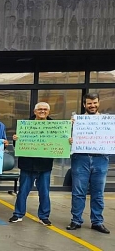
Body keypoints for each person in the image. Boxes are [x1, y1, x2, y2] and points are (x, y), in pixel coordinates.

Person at [67, 93, 110, 234]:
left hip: (101, 159)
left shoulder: (108, 121)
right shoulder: (76, 121)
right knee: (78, 192)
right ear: (84, 105)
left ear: (99, 103)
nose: (92, 105)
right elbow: (66, 139)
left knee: (98, 193)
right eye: (89, 103)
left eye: (95, 103)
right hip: (81, 158)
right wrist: (69, 132)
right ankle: (76, 220)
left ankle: (97, 222)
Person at [9, 102, 54, 225]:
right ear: (34, 111)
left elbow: (61, 144)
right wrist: (15, 140)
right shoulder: (25, 125)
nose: (42, 111)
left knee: (44, 192)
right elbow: (17, 146)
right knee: (23, 191)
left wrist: (68, 141)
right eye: (40, 109)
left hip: (45, 165)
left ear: (48, 112)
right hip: (27, 165)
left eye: (45, 109)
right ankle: (18, 214)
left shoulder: (55, 126)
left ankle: (44, 216)